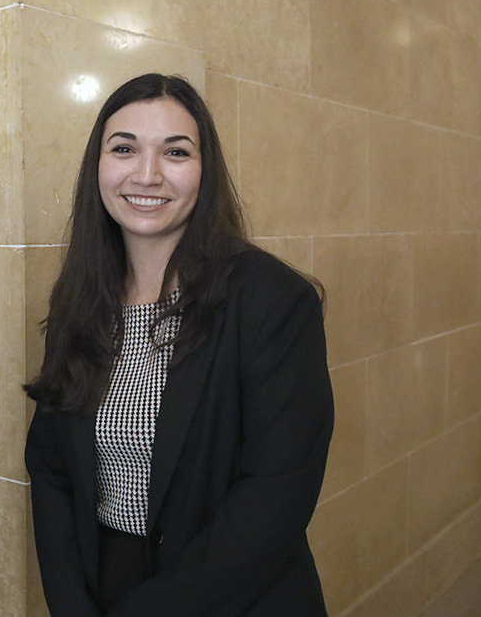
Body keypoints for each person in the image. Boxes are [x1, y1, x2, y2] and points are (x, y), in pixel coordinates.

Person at [23, 73, 334, 616]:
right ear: (98, 165)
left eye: (175, 152)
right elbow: (51, 466)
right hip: (106, 587)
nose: (147, 174)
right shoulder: (82, 297)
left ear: (204, 171)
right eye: (124, 149)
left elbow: (275, 495)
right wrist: (71, 604)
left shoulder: (272, 301)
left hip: (235, 597)